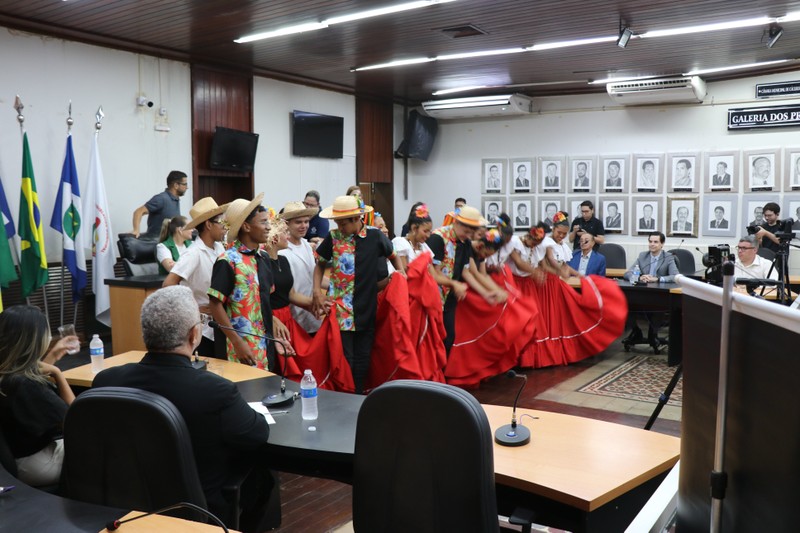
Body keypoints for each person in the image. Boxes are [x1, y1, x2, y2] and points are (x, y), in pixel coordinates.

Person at [94, 286, 273, 532]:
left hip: (125, 511)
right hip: (199, 514)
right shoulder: (216, 391)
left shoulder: (106, 381)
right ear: (194, 334)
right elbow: (257, 434)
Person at [312, 196, 405, 394]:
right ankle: (346, 395)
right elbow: (320, 264)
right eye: (337, 222)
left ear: (357, 218)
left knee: (363, 357)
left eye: (343, 222)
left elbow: (394, 257)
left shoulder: (376, 236)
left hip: (367, 304)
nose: (339, 226)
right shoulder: (334, 237)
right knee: (345, 357)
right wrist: (317, 293)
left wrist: (401, 276)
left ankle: (358, 394)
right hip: (340, 307)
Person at [0, 305, 77, 487]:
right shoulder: (23, 385)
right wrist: (58, 374)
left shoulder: (7, 376)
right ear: (34, 341)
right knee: (109, 447)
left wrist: (52, 356)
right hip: (37, 464)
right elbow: (76, 420)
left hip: (15, 458)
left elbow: (29, 381)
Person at [208, 193, 281, 370]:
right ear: (247, 227)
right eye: (263, 222)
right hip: (238, 349)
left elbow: (264, 300)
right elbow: (215, 304)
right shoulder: (227, 261)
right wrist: (237, 342)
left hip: (265, 345)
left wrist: (276, 325)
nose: (268, 227)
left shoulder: (263, 257)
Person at [163, 197, 229, 357]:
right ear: (208, 224)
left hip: (221, 321)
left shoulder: (219, 247)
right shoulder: (193, 253)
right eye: (220, 222)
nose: (224, 227)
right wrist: (192, 308)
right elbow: (168, 285)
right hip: (203, 327)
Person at [278, 201, 325, 335]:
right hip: (295, 315)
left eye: (306, 221)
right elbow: (286, 292)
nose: (304, 226)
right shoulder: (282, 252)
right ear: (286, 224)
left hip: (313, 313)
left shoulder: (306, 244)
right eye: (298, 222)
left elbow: (314, 274)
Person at [130, 170, 188, 239]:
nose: (187, 187)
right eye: (185, 184)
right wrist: (136, 230)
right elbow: (138, 212)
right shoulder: (161, 199)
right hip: (156, 244)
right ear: (176, 185)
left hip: (169, 243)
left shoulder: (175, 199)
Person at [541, 211, 581, 279]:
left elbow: (564, 265)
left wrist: (577, 274)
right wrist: (561, 272)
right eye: (559, 232)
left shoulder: (563, 245)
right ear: (553, 229)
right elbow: (549, 261)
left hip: (556, 279)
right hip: (546, 279)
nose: (561, 235)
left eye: (564, 233)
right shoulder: (546, 242)